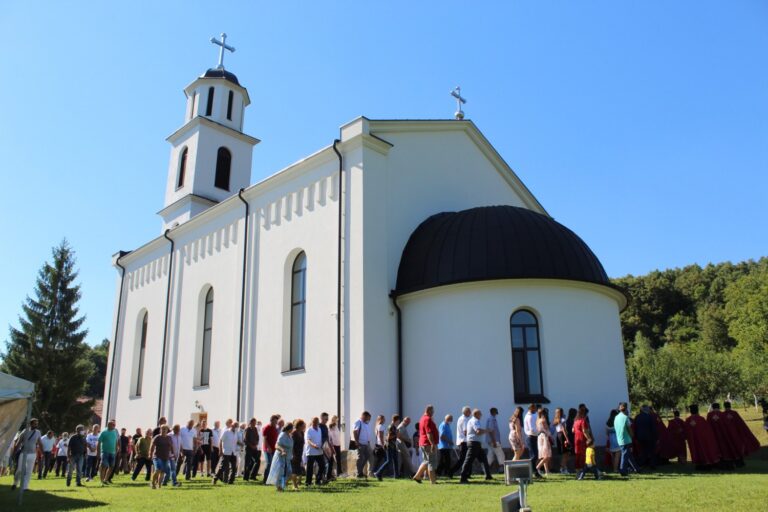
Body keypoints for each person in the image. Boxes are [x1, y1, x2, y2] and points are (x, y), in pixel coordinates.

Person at [459, 408, 492, 484]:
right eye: (480, 414)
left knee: (484, 459)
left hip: (476, 443)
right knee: (468, 460)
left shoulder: (473, 420)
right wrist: (487, 430)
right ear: (476, 414)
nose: (481, 415)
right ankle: (463, 477)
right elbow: (478, 431)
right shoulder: (475, 421)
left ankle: (488, 475)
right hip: (474, 443)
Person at [685, 404, 721, 470]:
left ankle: (698, 465)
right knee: (704, 451)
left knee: (696, 451)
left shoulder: (688, 420)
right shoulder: (701, 419)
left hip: (693, 440)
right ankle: (706, 463)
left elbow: (687, 431)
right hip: (702, 439)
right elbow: (707, 430)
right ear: (697, 411)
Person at [11, 418, 42, 492]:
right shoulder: (25, 431)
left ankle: (25, 487)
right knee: (19, 469)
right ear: (31, 424)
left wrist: (42, 452)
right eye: (35, 423)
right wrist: (14, 452)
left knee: (29, 471)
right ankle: (15, 482)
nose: (36, 425)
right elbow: (18, 442)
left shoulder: (38, 432)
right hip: (23, 453)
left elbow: (39, 442)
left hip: (33, 454)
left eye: (37, 424)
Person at [706, 403, 739, 469]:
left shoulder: (709, 415)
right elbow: (727, 425)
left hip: (714, 436)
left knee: (717, 449)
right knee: (725, 449)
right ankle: (728, 464)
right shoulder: (723, 414)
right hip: (724, 435)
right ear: (719, 407)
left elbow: (708, 426)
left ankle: (717, 464)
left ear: (712, 407)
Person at [413, 405, 439, 484]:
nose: (433, 413)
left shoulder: (422, 419)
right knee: (431, 461)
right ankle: (433, 481)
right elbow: (429, 433)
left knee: (426, 461)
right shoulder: (427, 419)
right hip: (428, 443)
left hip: (423, 443)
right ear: (429, 410)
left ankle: (417, 476)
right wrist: (432, 444)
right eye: (432, 411)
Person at [267, 422, 295, 491]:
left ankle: (282, 485)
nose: (293, 429)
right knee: (280, 472)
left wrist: (292, 454)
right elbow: (276, 445)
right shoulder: (282, 435)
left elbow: (291, 447)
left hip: (287, 457)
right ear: (289, 428)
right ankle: (279, 487)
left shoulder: (289, 435)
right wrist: (282, 450)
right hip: (281, 457)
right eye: (292, 428)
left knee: (289, 472)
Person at [374, 414, 400, 480]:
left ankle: (396, 476)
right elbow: (388, 437)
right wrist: (396, 434)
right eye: (399, 420)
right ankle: (378, 473)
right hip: (390, 446)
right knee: (389, 461)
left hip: (393, 445)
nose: (399, 422)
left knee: (395, 460)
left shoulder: (394, 427)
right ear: (396, 420)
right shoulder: (391, 427)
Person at [614, 402, 635, 477]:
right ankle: (623, 470)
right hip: (626, 439)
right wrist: (632, 435)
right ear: (626, 409)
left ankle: (636, 468)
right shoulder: (626, 418)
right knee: (625, 455)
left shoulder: (616, 417)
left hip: (619, 438)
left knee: (628, 455)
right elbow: (629, 428)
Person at [633, 405, 658, 469]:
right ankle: (652, 465)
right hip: (650, 437)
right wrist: (656, 437)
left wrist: (636, 437)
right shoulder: (650, 417)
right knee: (652, 451)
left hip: (640, 437)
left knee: (642, 451)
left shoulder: (637, 417)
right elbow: (653, 428)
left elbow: (635, 428)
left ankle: (642, 464)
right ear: (646, 410)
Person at [451, 406, 472, 476]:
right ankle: (451, 472)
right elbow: (466, 432)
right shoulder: (464, 419)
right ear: (465, 412)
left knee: (467, 458)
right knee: (462, 459)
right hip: (463, 442)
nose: (470, 412)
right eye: (469, 411)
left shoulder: (463, 418)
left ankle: (467, 473)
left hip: (464, 441)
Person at [97, 419, 119, 485]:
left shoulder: (115, 432)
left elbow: (116, 441)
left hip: (113, 452)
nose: (114, 426)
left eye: (114, 425)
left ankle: (105, 479)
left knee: (111, 466)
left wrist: (116, 450)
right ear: (109, 425)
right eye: (113, 425)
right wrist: (98, 453)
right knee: (104, 466)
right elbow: (99, 442)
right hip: (105, 452)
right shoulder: (104, 432)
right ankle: (101, 481)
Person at [305, 417, 324, 486]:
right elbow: (308, 440)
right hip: (311, 452)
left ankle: (318, 480)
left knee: (322, 466)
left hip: (319, 451)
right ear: (312, 422)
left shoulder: (319, 429)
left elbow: (320, 439)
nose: (315, 423)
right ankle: (308, 482)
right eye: (314, 422)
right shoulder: (309, 430)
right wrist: (313, 445)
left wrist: (322, 446)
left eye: (316, 422)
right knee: (310, 468)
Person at [353, 411, 372, 478]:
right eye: (368, 418)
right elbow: (355, 431)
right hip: (360, 443)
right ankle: (359, 473)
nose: (369, 420)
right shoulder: (359, 422)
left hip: (366, 443)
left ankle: (360, 471)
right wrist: (356, 442)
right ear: (364, 416)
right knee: (360, 458)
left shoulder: (366, 423)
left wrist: (368, 441)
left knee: (367, 456)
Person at [485, 408, 505, 472]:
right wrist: (494, 441)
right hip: (494, 440)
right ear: (493, 412)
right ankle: (501, 469)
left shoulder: (490, 419)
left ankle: (485, 469)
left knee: (490, 455)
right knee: (500, 454)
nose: (496, 414)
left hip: (492, 440)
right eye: (496, 412)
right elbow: (491, 431)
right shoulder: (492, 419)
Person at [261, 415, 279, 484]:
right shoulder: (267, 428)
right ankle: (265, 480)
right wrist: (268, 447)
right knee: (269, 463)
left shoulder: (275, 428)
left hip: (274, 449)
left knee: (273, 464)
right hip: (267, 449)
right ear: (271, 420)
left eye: (276, 421)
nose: (276, 422)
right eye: (275, 421)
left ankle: (271, 480)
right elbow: (265, 439)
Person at [536, 408, 553, 477]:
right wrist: (550, 437)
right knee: (547, 455)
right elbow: (547, 429)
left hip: (539, 437)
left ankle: (547, 471)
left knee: (544, 454)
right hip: (544, 437)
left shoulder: (537, 420)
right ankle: (537, 467)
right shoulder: (543, 420)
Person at [553, 407, 572, 473]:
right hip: (563, 435)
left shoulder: (556, 420)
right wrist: (567, 439)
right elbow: (564, 429)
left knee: (565, 453)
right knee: (566, 453)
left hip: (558, 435)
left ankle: (564, 467)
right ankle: (562, 467)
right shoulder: (562, 420)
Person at [572, 404, 589, 471]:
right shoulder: (583, 421)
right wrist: (589, 438)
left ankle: (577, 469)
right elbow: (585, 431)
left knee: (577, 454)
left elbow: (572, 430)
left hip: (576, 439)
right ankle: (582, 469)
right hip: (582, 439)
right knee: (583, 454)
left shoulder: (575, 421)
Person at [523, 404, 539, 474]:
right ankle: (531, 470)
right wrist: (540, 431)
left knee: (534, 455)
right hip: (531, 436)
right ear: (531, 408)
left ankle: (534, 471)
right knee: (534, 455)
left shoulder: (534, 414)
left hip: (533, 436)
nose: (536, 409)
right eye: (534, 408)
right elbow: (532, 429)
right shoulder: (529, 417)